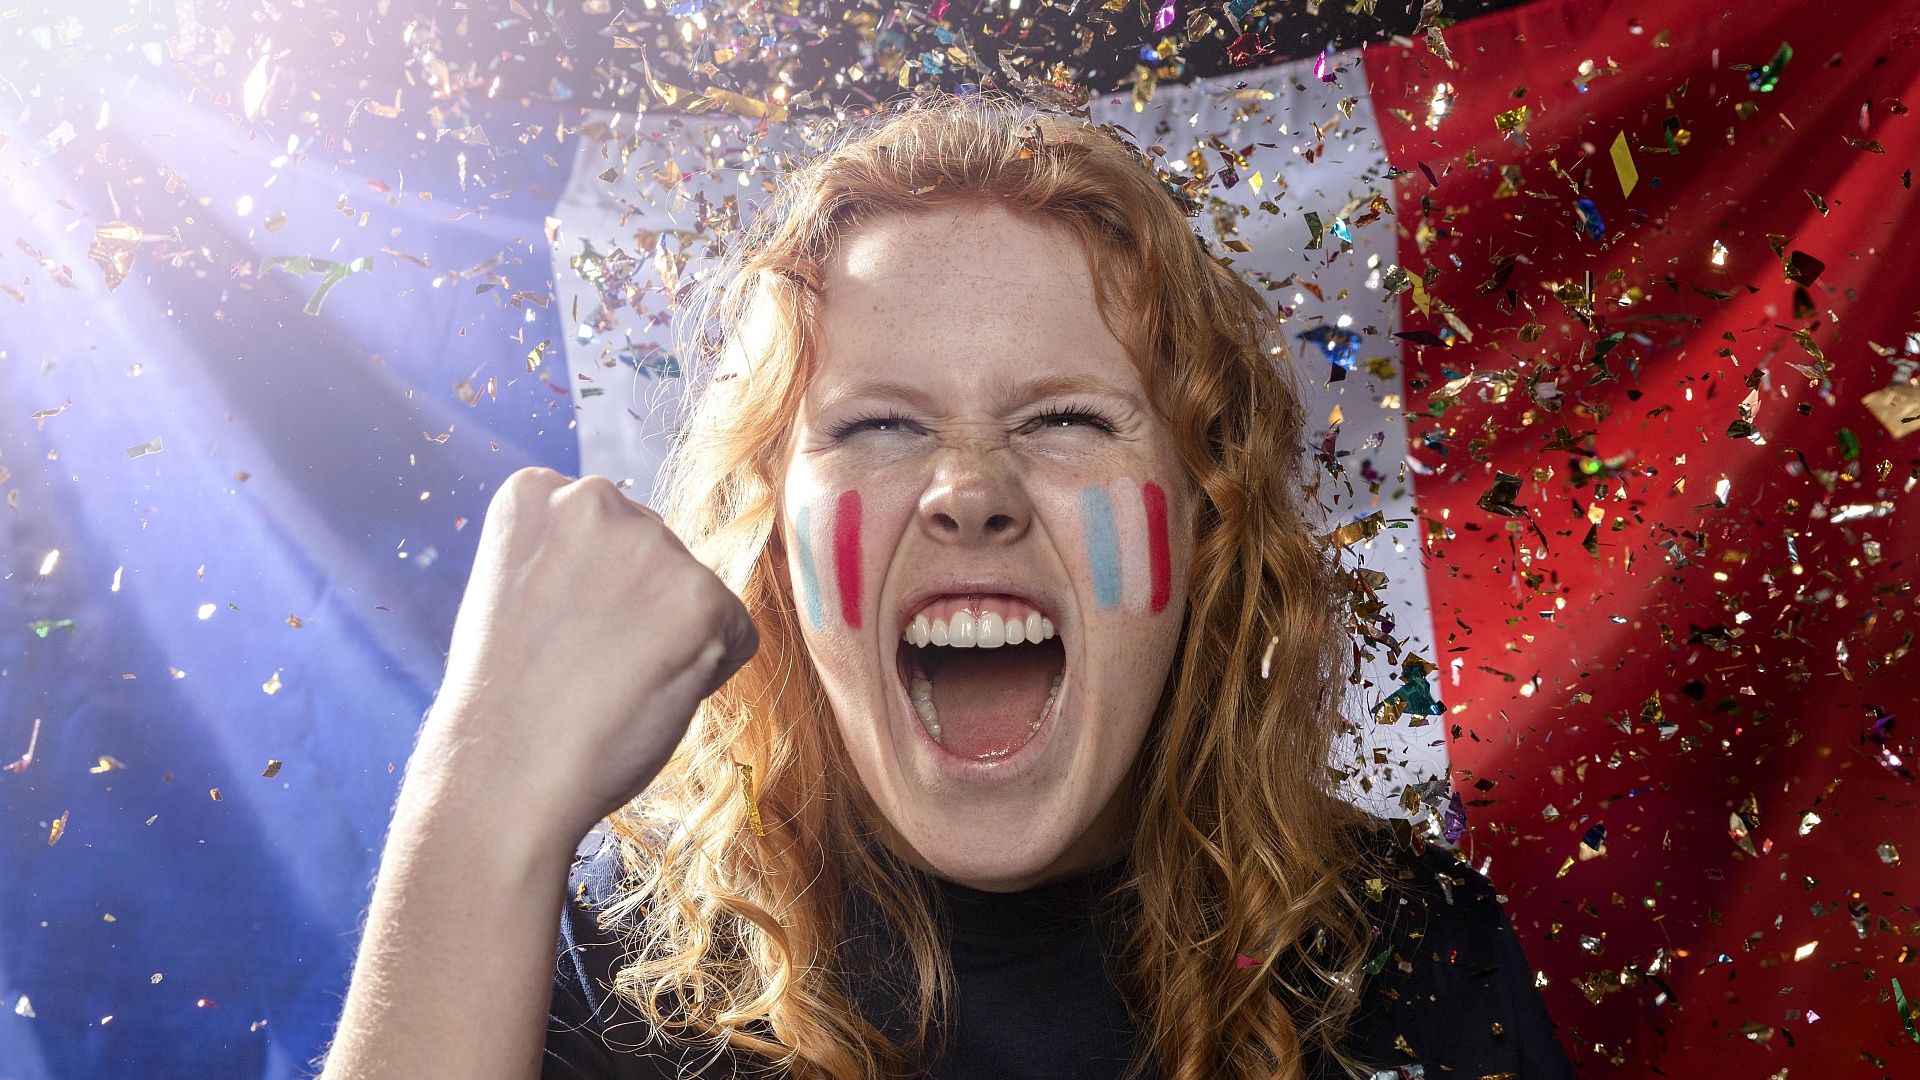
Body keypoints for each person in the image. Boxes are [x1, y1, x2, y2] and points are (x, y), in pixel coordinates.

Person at [320, 96, 1576, 1080]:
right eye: (876, 428)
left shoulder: (1405, 952)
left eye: (1069, 418)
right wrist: (477, 792)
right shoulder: (627, 979)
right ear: (771, 537)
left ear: (1209, 521)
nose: (968, 488)